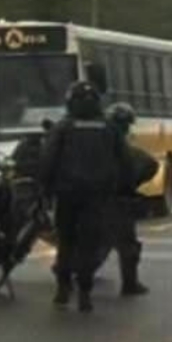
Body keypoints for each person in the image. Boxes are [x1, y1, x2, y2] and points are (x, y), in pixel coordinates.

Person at [40, 81, 132, 313]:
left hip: (67, 194)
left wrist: (45, 189)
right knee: (89, 244)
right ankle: (84, 293)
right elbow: (126, 161)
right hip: (97, 196)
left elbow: (48, 160)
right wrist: (122, 189)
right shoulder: (109, 128)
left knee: (66, 241)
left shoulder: (63, 127)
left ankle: (63, 289)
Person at [106, 103, 161, 297]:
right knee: (128, 244)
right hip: (114, 202)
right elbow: (150, 165)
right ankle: (130, 283)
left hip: (88, 199)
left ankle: (64, 279)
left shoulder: (89, 143)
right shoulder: (127, 151)